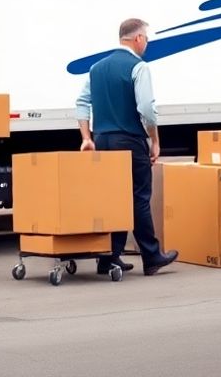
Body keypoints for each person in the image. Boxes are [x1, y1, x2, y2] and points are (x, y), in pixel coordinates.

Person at [74, 18, 179, 277]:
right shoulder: (138, 67)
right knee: (138, 197)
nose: (147, 43)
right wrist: (155, 141)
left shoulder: (96, 68)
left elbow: (81, 102)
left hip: (103, 141)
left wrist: (87, 137)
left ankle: (109, 258)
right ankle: (152, 256)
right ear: (138, 38)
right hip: (129, 140)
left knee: (112, 197)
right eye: (147, 38)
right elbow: (146, 109)